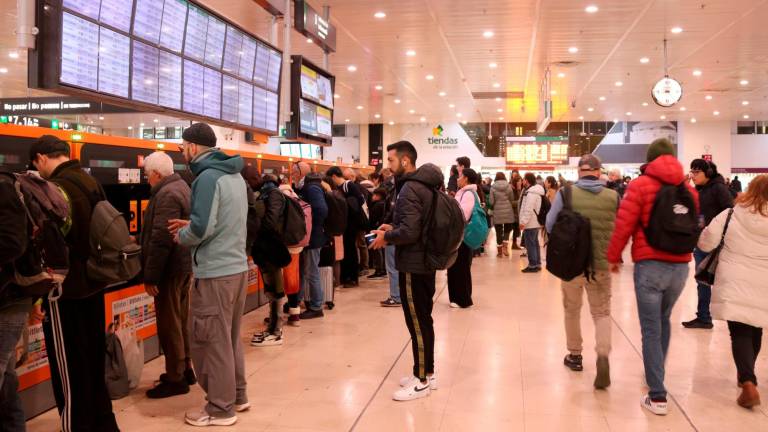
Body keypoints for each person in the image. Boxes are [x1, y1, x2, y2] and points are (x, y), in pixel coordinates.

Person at [29, 135, 120, 432]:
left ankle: (75, 425)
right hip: (95, 284)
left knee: (68, 367)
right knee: (93, 359)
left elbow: (52, 247)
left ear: (42, 158)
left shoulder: (55, 189)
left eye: (36, 164)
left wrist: (39, 296)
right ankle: (103, 422)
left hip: (66, 291)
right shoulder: (90, 182)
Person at [606, 138, 699, 416]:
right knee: (663, 319)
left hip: (650, 264)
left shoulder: (640, 185)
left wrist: (613, 256)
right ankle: (654, 373)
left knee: (650, 327)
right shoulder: (689, 190)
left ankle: (657, 395)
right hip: (681, 267)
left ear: (650, 159)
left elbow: (625, 223)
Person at [168, 123, 249, 427]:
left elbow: (201, 228)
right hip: (237, 267)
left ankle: (219, 408)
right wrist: (190, 226)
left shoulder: (206, 178)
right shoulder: (234, 175)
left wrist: (182, 235)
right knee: (228, 339)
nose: (182, 153)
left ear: (192, 147)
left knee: (210, 342)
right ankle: (238, 395)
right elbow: (224, 220)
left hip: (214, 272)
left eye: (182, 147)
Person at [370, 141, 442, 401]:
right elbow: (415, 224)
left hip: (414, 263)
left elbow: (410, 232)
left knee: (417, 322)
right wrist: (391, 226)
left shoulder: (411, 187)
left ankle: (421, 380)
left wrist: (387, 238)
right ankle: (426, 371)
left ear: (405, 161)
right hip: (424, 261)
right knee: (423, 319)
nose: (387, 166)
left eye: (390, 160)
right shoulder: (424, 185)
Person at [545, 155, 618, 389]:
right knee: (602, 312)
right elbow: (621, 227)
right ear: (599, 172)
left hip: (572, 264)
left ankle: (575, 355)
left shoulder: (567, 194)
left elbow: (549, 224)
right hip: (601, 264)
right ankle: (603, 354)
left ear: (579, 172)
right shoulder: (613, 196)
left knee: (572, 310)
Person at [698, 174, 768, 409]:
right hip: (764, 281)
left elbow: (706, 243)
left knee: (739, 330)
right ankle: (746, 378)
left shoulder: (731, 214)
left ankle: (748, 382)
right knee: (755, 326)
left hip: (734, 280)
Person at [141, 151, 195, 399]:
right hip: (184, 265)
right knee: (181, 320)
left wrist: (151, 276)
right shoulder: (182, 186)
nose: (146, 180)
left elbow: (162, 239)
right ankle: (186, 369)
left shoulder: (166, 194)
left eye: (146, 175)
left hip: (170, 269)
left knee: (169, 323)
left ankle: (175, 378)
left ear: (155, 174)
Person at [0, 167, 46, 432]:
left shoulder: (4, 187)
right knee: (6, 373)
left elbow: (13, 243)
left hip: (10, 297)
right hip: (12, 294)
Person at [682, 159, 733, 330]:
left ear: (708, 173)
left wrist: (716, 229)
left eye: (697, 172)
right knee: (702, 281)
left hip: (717, 244)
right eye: (692, 171)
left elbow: (729, 211)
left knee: (721, 281)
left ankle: (729, 317)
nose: (693, 175)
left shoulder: (718, 188)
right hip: (702, 242)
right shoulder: (699, 189)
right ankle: (704, 317)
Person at [250, 174, 290, 342]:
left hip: (272, 248)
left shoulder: (272, 194)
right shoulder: (267, 194)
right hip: (265, 248)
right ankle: (272, 327)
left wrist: (257, 230)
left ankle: (276, 331)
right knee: (271, 288)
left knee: (275, 289)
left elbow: (270, 221)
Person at [293, 162, 329, 320]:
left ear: (302, 172)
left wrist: (311, 227)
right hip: (306, 237)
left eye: (294, 172)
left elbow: (321, 210)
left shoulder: (312, 188)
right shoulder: (303, 187)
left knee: (311, 272)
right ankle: (296, 302)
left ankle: (316, 306)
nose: (292, 175)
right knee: (302, 271)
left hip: (312, 238)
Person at [328, 166, 366, 288]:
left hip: (351, 224)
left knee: (350, 250)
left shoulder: (349, 185)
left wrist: (347, 207)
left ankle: (352, 278)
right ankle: (346, 277)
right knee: (346, 250)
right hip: (345, 224)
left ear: (334, 176)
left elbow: (360, 200)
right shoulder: (340, 187)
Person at [448, 168, 480, 308]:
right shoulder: (466, 192)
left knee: (460, 267)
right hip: (461, 235)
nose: (457, 178)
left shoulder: (468, 194)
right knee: (458, 266)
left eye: (460, 176)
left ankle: (462, 299)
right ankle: (458, 297)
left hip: (462, 236)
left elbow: (463, 215)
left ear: (466, 178)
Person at [379, 168, 401, 307]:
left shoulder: (397, 194)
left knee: (392, 267)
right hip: (397, 232)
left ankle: (396, 296)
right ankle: (398, 295)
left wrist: (386, 225)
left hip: (393, 233)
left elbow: (392, 213)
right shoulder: (400, 193)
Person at [519, 172, 545, 272]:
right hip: (535, 222)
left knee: (530, 244)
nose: (522, 181)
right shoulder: (535, 192)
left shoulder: (531, 193)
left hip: (530, 222)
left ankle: (532, 265)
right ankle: (537, 264)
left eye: (524, 179)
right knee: (534, 243)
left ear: (527, 180)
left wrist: (523, 222)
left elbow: (528, 209)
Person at [489, 172, 515, 257]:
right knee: (507, 229)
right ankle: (505, 248)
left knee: (498, 231)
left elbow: (491, 201)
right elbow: (512, 198)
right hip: (508, 211)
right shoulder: (508, 186)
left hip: (497, 211)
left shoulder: (493, 187)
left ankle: (499, 252)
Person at [367, 188, 388, 279]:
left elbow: (372, 219)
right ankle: (382, 269)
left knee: (376, 249)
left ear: (378, 196)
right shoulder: (384, 204)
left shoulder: (377, 205)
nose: (372, 197)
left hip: (373, 231)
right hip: (381, 230)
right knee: (381, 250)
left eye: (374, 195)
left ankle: (379, 270)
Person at [510, 172, 523, 250]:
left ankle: (514, 243)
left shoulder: (519, 190)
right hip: (513, 213)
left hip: (518, 213)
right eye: (519, 181)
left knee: (516, 229)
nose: (520, 183)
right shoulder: (512, 190)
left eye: (521, 181)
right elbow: (510, 202)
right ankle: (513, 244)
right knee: (515, 228)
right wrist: (519, 201)